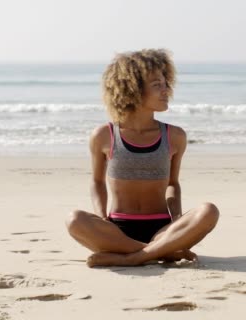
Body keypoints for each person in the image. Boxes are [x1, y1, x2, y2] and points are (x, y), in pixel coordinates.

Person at [66, 49, 219, 267]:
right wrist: (102, 218)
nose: (166, 90)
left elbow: (172, 184)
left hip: (163, 229)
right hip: (118, 232)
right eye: (157, 85)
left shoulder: (174, 136)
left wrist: (177, 222)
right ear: (132, 89)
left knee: (208, 211)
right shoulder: (103, 135)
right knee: (74, 220)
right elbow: (97, 182)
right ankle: (160, 253)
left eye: (166, 84)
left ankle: (135, 258)